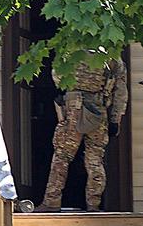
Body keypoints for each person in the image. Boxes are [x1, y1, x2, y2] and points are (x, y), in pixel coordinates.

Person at [36, 52, 128, 212]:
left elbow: (57, 76)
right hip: (98, 109)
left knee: (62, 157)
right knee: (95, 160)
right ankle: (93, 205)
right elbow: (120, 91)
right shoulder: (111, 55)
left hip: (73, 107)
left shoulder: (69, 48)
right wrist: (115, 119)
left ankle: (51, 202)